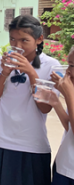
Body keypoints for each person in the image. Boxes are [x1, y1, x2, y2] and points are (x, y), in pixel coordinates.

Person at [0, 15, 59, 185]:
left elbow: (45, 108)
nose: (17, 46)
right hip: (1, 138)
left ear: (39, 39)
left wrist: (31, 73)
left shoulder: (51, 65)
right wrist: (4, 72)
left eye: (24, 40)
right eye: (12, 39)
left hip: (31, 142)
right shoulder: (2, 62)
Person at [48, 47, 74, 185]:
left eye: (72, 65)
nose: (67, 71)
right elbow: (70, 128)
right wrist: (56, 102)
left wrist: (69, 94)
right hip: (64, 166)